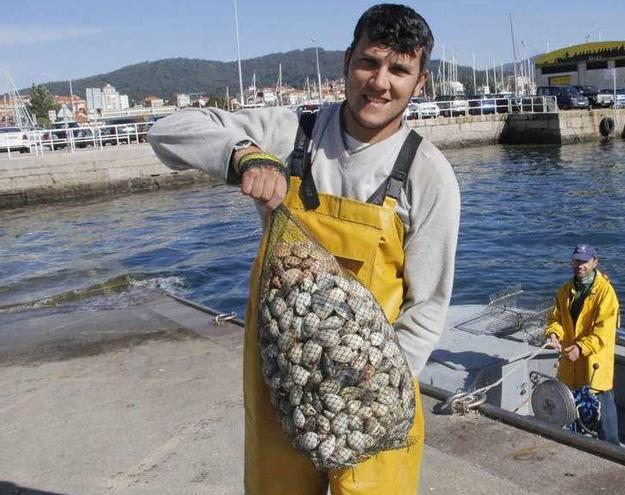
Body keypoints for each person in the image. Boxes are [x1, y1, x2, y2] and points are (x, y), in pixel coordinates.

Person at [148, 4, 460, 494]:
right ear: (346, 61)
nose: (380, 82)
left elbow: (428, 306)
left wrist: (373, 393)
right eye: (369, 62)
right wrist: (245, 154)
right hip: (281, 376)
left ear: (420, 83)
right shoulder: (294, 132)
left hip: (371, 390)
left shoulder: (427, 172)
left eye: (399, 70)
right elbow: (168, 131)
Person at [545, 244, 621, 445]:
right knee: (571, 412)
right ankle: (575, 445)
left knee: (605, 416)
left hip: (594, 366)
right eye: (577, 261)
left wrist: (581, 348)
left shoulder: (606, 293)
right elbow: (556, 319)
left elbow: (603, 332)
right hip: (569, 366)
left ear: (595, 262)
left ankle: (613, 451)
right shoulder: (564, 291)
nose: (580, 265)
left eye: (585, 261)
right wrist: (553, 334)